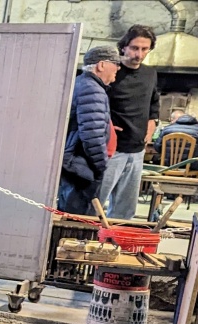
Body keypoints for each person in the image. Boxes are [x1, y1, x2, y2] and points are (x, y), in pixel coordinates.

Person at [98, 25, 160, 219]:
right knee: (95, 205)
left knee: (125, 211)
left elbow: (154, 104)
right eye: (134, 48)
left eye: (144, 49)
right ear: (124, 47)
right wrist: (106, 126)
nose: (139, 54)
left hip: (137, 151)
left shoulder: (150, 74)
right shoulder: (112, 71)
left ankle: (115, 247)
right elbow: (94, 102)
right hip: (111, 150)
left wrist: (152, 124)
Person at [59, 46, 121, 215]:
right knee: (77, 222)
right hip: (82, 168)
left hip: (77, 165)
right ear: (101, 65)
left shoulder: (84, 84)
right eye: (115, 63)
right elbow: (92, 136)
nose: (118, 68)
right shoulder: (92, 89)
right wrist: (101, 166)